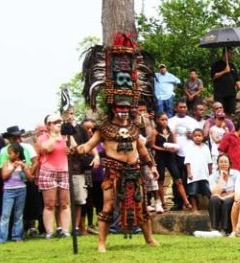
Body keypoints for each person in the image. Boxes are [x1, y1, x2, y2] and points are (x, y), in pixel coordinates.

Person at [76, 95, 160, 252]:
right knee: (107, 207)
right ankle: (101, 243)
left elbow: (141, 149)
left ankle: (149, 239)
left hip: (134, 171)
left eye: (127, 109)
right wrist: (75, 149)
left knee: (142, 206)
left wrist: (152, 165)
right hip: (113, 172)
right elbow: (88, 146)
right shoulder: (104, 130)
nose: (124, 112)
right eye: (120, 109)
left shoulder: (134, 128)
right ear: (113, 110)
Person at [37, 113, 77, 239]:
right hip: (48, 171)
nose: (59, 124)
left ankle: (65, 231)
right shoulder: (43, 137)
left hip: (64, 170)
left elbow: (75, 148)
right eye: (55, 122)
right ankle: (50, 231)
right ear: (48, 125)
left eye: (60, 121)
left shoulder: (67, 136)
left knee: (65, 203)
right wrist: (54, 137)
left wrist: (71, 150)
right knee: (50, 203)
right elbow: (45, 149)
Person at [0, 144, 34, 243]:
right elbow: (4, 176)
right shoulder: (6, 163)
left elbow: (30, 178)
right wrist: (12, 168)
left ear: (17, 154)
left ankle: (17, 236)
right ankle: (1, 238)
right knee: (5, 215)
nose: (9, 155)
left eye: (11, 153)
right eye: (8, 153)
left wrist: (24, 168)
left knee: (18, 215)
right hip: (9, 191)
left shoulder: (23, 164)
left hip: (21, 190)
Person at [168, 99, 203, 210]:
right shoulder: (170, 121)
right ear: (176, 108)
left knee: (190, 177)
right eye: (180, 107)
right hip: (176, 154)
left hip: (190, 153)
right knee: (177, 178)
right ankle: (178, 202)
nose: (183, 109)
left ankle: (193, 200)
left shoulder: (192, 121)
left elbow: (199, 136)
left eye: (185, 107)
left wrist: (192, 137)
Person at [150, 112, 187, 211]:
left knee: (178, 180)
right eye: (162, 120)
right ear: (158, 120)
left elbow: (175, 143)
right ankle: (163, 202)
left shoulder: (171, 131)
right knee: (160, 180)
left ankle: (186, 202)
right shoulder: (155, 131)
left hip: (171, 157)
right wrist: (164, 149)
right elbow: (152, 145)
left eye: (166, 119)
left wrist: (174, 148)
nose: (164, 122)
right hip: (160, 158)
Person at [208, 154, 240, 235]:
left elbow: (238, 190)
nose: (223, 164)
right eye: (221, 162)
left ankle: (225, 229)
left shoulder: (236, 174)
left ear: (229, 164)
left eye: (225, 162)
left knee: (227, 202)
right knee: (214, 199)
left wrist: (226, 197)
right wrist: (221, 177)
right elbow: (215, 192)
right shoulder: (213, 176)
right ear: (218, 164)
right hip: (219, 197)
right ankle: (214, 228)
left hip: (232, 196)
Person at [184, 129, 212, 213]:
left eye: (199, 136)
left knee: (208, 191)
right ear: (192, 137)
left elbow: (209, 162)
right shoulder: (190, 147)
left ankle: (211, 207)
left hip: (204, 174)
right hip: (194, 174)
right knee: (192, 192)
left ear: (203, 137)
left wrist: (210, 173)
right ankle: (194, 207)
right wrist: (189, 173)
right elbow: (187, 162)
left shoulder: (206, 147)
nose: (197, 138)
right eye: (195, 136)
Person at [211, 48, 240, 115]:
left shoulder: (232, 65)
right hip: (220, 94)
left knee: (232, 112)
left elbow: (237, 79)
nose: (232, 55)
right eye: (230, 53)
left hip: (231, 94)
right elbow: (213, 76)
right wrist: (224, 71)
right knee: (220, 113)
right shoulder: (216, 64)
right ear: (225, 54)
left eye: (232, 53)